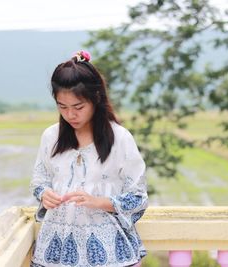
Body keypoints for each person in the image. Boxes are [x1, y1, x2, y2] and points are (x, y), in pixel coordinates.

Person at [29, 50, 148, 267]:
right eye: (62, 107)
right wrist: (45, 194)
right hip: (56, 251)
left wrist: (99, 202)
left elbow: (138, 197)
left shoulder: (120, 139)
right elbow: (39, 181)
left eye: (78, 107)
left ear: (96, 99)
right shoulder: (50, 136)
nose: (70, 115)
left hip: (110, 251)